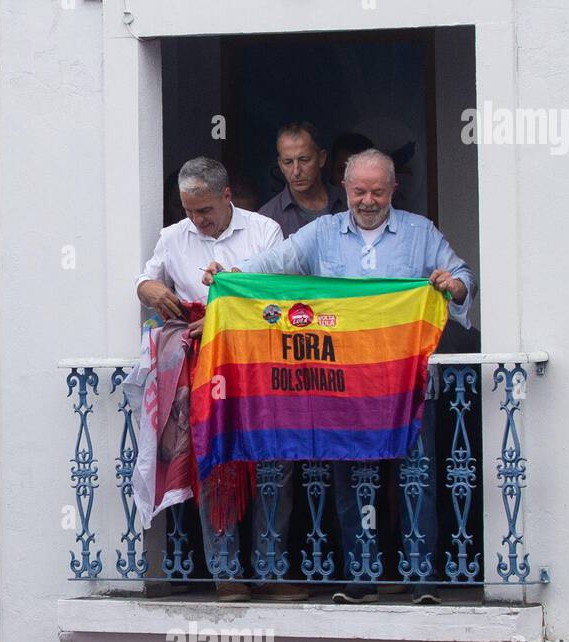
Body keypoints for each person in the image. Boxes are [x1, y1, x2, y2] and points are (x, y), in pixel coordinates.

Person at [204, 148, 477, 603]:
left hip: (406, 383)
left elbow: (462, 273)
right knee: (352, 480)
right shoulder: (324, 232)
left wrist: (454, 285)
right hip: (344, 386)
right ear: (345, 189)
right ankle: (361, 579)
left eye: (377, 191)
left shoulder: (419, 232)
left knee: (417, 476)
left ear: (393, 190)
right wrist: (230, 276)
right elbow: (275, 262)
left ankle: (422, 578)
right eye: (358, 191)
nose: (367, 201)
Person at [137, 157, 303, 600]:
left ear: (227, 196)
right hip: (202, 368)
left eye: (205, 210)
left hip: (256, 363)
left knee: (272, 465)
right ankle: (225, 573)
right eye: (189, 210)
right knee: (214, 465)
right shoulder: (173, 237)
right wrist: (147, 288)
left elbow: (278, 298)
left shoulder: (264, 231)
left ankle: (271, 571)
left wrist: (224, 311)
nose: (197, 220)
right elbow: (148, 280)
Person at [259, 122, 347, 238]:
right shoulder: (267, 218)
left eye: (304, 160)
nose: (296, 171)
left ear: (321, 158)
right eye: (288, 162)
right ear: (280, 164)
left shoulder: (349, 202)